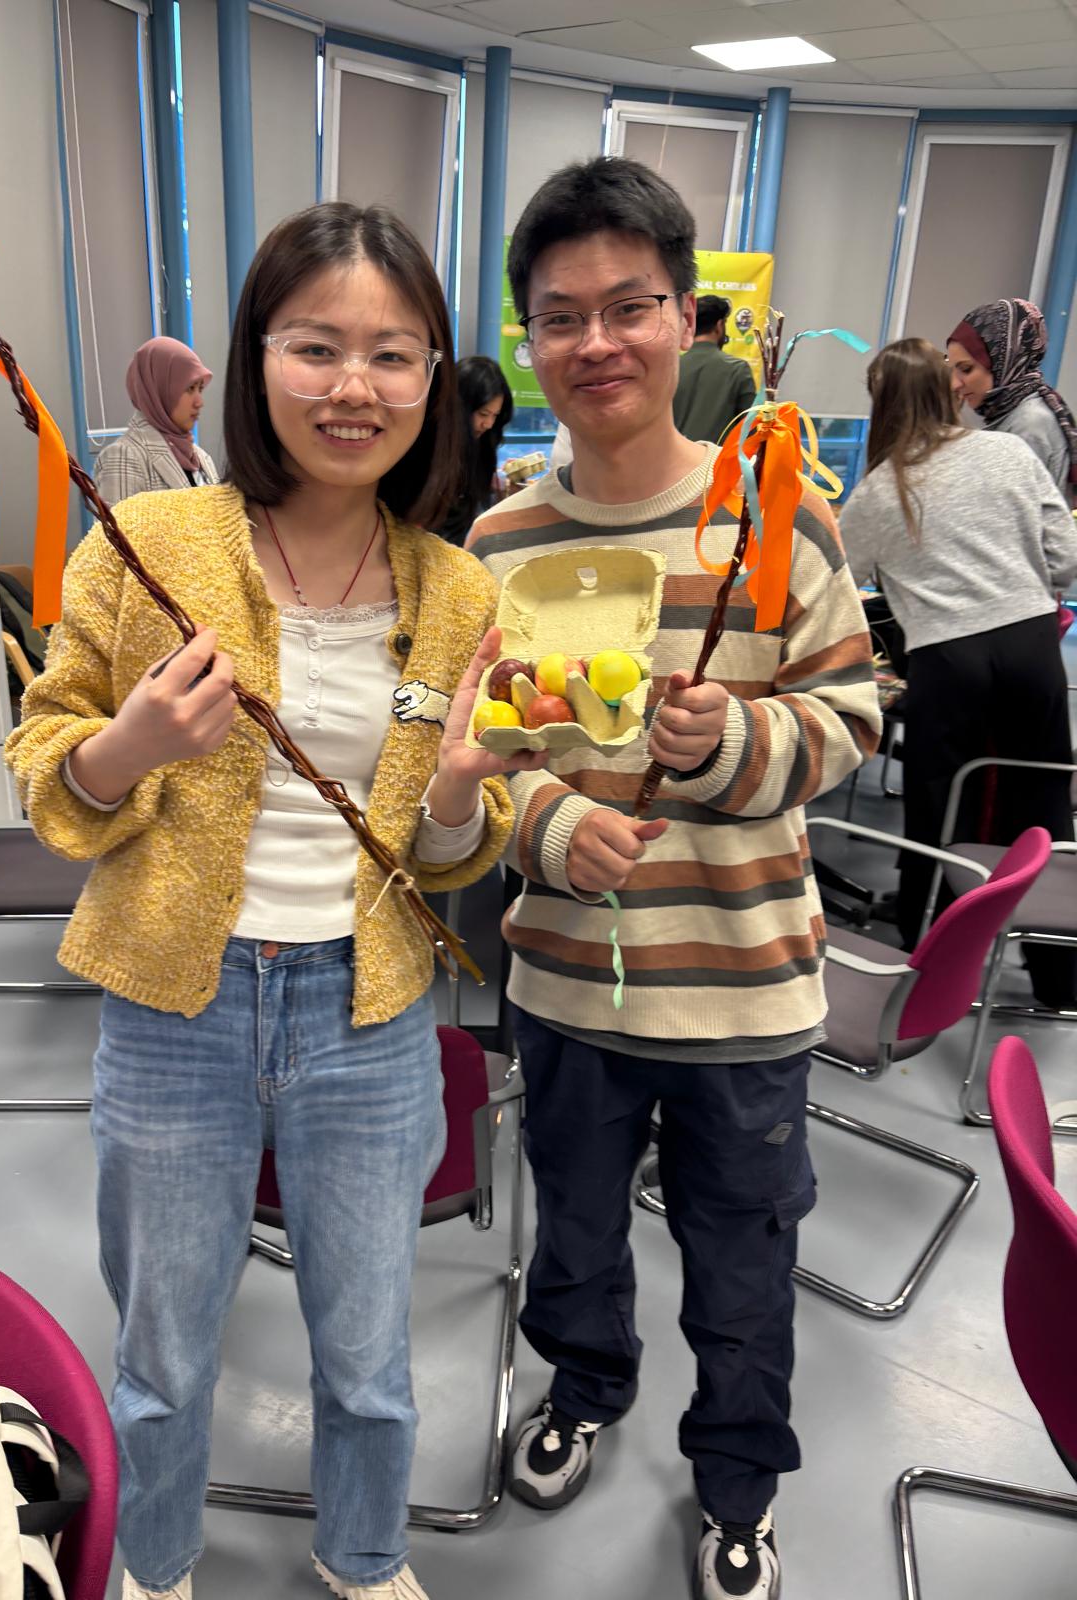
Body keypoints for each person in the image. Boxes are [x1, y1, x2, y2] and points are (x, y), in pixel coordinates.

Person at [6, 201, 547, 1600]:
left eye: (393, 353)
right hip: (173, 1008)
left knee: (367, 1349)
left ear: (433, 382)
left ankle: (365, 1557)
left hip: (369, 1018)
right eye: (316, 346)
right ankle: (156, 1563)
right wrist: (130, 746)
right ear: (256, 359)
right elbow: (49, 764)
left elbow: (449, 855)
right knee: (163, 1350)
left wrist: (456, 794)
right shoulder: (150, 544)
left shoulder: (455, 589)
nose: (353, 386)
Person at [467, 157, 881, 1600]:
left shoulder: (774, 514)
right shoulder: (502, 542)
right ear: (528, 336)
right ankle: (585, 1388)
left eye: (629, 306)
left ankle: (738, 1481)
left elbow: (853, 714)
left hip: (744, 992)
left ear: (686, 317)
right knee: (574, 1233)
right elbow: (477, 754)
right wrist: (541, 826)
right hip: (568, 990)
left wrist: (741, 743)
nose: (597, 343)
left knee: (745, 1260)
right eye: (560, 316)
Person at [840, 338, 1077, 1000]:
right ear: (947, 391)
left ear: (883, 403)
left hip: (948, 658)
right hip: (1031, 645)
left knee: (941, 810)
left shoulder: (881, 490)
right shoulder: (1009, 453)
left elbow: (835, 584)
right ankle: (1060, 976)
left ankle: (931, 953)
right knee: (1043, 803)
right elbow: (1066, 558)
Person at [946, 299, 1077, 503]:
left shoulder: (1029, 425)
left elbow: (1006, 514)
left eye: (966, 369)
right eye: (952, 369)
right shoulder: (1011, 413)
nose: (955, 384)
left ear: (1002, 362)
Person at [93, 335, 220, 502]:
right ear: (160, 389)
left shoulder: (200, 457)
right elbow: (119, 520)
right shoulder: (124, 457)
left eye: (200, 389)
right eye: (190, 389)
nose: (199, 402)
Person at [434, 354, 514, 545]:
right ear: (459, 406)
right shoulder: (431, 447)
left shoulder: (482, 443)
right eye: (483, 414)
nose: (488, 424)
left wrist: (498, 487)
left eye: (495, 415)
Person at [671, 292, 758, 444]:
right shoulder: (737, 370)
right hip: (718, 458)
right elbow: (751, 429)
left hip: (673, 458)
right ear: (719, 325)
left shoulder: (672, 367)